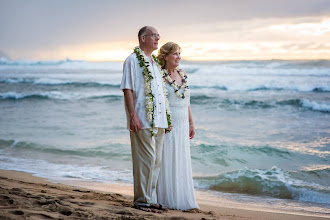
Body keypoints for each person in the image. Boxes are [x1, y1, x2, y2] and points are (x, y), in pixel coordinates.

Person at [120, 26, 170, 212]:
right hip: (142, 118)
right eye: (154, 35)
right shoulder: (132, 60)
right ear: (143, 38)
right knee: (146, 160)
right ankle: (141, 200)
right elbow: (127, 89)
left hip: (159, 120)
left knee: (156, 161)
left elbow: (160, 94)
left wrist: (166, 118)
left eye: (158, 35)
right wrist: (133, 116)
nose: (158, 38)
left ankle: (151, 199)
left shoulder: (155, 64)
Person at [156, 42, 199, 210]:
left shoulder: (183, 73)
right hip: (169, 122)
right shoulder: (159, 75)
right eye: (175, 54)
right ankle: (166, 198)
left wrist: (191, 122)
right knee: (167, 157)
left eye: (179, 54)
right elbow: (157, 101)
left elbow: (186, 101)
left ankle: (181, 197)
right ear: (165, 56)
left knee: (181, 157)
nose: (178, 57)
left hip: (182, 121)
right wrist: (163, 121)